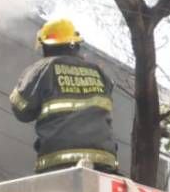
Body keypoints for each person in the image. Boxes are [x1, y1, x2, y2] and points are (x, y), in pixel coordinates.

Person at [10, 18, 119, 174]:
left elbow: (21, 110)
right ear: (75, 45)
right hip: (104, 161)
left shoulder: (42, 69)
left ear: (45, 47)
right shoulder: (99, 73)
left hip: (58, 161)